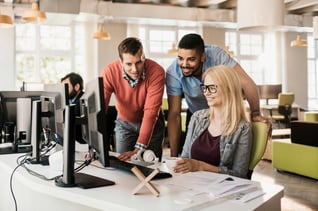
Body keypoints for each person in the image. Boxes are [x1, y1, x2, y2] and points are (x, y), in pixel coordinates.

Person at [166, 33, 268, 157]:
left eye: (191, 59)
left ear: (203, 56)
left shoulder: (216, 56)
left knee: (225, 157)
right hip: (196, 115)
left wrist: (256, 113)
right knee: (193, 156)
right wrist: (173, 157)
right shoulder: (173, 72)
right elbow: (174, 114)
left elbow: (247, 82)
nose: (184, 64)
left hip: (224, 114)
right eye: (180, 58)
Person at [174, 65, 252, 179]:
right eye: (204, 88)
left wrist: (200, 166)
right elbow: (185, 158)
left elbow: (239, 175)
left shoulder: (243, 128)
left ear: (229, 89)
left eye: (212, 88)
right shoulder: (197, 118)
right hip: (191, 185)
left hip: (221, 191)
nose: (206, 93)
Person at [100, 37, 165, 161]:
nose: (135, 69)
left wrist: (139, 147)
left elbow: (151, 111)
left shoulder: (157, 72)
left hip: (153, 124)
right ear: (121, 61)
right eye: (129, 64)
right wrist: (94, 146)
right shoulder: (109, 72)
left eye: (139, 62)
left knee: (152, 166)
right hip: (125, 123)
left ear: (143, 57)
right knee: (124, 164)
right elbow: (100, 109)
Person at [61, 72, 85, 143]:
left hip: (80, 143)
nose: (64, 91)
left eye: (66, 87)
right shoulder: (71, 101)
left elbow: (70, 120)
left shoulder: (83, 101)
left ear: (76, 87)